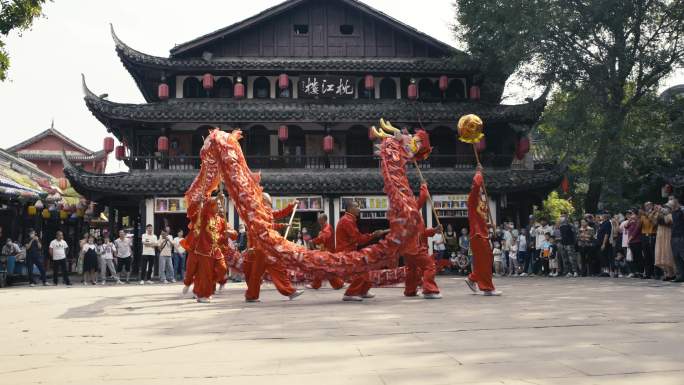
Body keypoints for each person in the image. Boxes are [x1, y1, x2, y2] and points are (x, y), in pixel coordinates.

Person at [244, 194, 303, 302]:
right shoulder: (258, 213)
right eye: (269, 202)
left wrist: (290, 208)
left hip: (268, 247)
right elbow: (253, 231)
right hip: (260, 248)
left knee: (276, 268)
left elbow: (275, 219)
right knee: (257, 274)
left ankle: (290, 291)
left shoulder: (266, 212)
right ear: (264, 201)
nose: (270, 205)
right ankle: (251, 295)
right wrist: (252, 246)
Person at [336, 200, 388, 301]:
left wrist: (373, 235)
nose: (359, 209)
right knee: (363, 269)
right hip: (346, 253)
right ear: (350, 209)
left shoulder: (350, 219)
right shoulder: (347, 221)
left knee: (370, 266)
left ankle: (363, 291)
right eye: (356, 207)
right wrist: (373, 235)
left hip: (350, 251)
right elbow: (358, 239)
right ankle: (350, 293)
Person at [464, 168, 501, 295]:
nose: (479, 188)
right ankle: (487, 288)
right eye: (477, 187)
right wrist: (479, 172)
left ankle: (473, 278)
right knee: (485, 261)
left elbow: (481, 220)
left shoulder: (481, 201)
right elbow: (476, 183)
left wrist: (489, 225)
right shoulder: (472, 199)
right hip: (478, 235)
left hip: (482, 234)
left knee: (486, 260)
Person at [307, 213, 345, 290]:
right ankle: (338, 284)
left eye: (319, 220)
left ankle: (317, 284)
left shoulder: (327, 228)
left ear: (324, 220)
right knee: (324, 268)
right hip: (325, 251)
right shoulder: (325, 227)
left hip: (328, 252)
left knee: (321, 268)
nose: (318, 221)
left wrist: (313, 241)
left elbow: (323, 238)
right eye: (318, 220)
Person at [655, 205, 675, 281]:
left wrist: (663, 213)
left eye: (666, 208)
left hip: (668, 235)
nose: (664, 209)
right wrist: (658, 213)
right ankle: (668, 274)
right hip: (660, 236)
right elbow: (655, 222)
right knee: (662, 254)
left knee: (668, 254)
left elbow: (667, 221)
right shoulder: (659, 215)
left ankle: (673, 274)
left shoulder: (670, 215)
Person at [668, 198, 684, 282]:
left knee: (682, 255)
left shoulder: (682, 210)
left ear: (676, 202)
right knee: (676, 257)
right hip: (674, 236)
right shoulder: (673, 212)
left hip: (681, 236)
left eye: (672, 201)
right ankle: (681, 276)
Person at [640, 202, 657, 279]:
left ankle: (656, 273)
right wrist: (639, 217)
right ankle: (647, 273)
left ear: (652, 206)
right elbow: (639, 226)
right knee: (646, 255)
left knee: (653, 254)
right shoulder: (643, 215)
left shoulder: (655, 213)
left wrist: (647, 215)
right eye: (646, 205)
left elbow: (655, 223)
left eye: (649, 205)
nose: (647, 206)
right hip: (644, 235)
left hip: (652, 235)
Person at [626, 210, 643, 278]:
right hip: (631, 242)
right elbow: (626, 226)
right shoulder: (632, 221)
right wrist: (629, 220)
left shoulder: (638, 221)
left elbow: (636, 231)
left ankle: (640, 271)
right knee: (634, 257)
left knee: (639, 257)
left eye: (633, 214)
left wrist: (629, 239)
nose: (631, 215)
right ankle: (635, 271)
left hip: (637, 241)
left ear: (636, 215)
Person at [597, 212, 614, 277]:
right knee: (602, 257)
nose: (601, 216)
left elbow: (606, 234)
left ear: (605, 216)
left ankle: (609, 271)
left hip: (605, 243)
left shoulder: (607, 223)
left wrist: (604, 243)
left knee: (606, 257)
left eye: (602, 215)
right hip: (600, 243)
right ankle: (605, 271)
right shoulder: (602, 223)